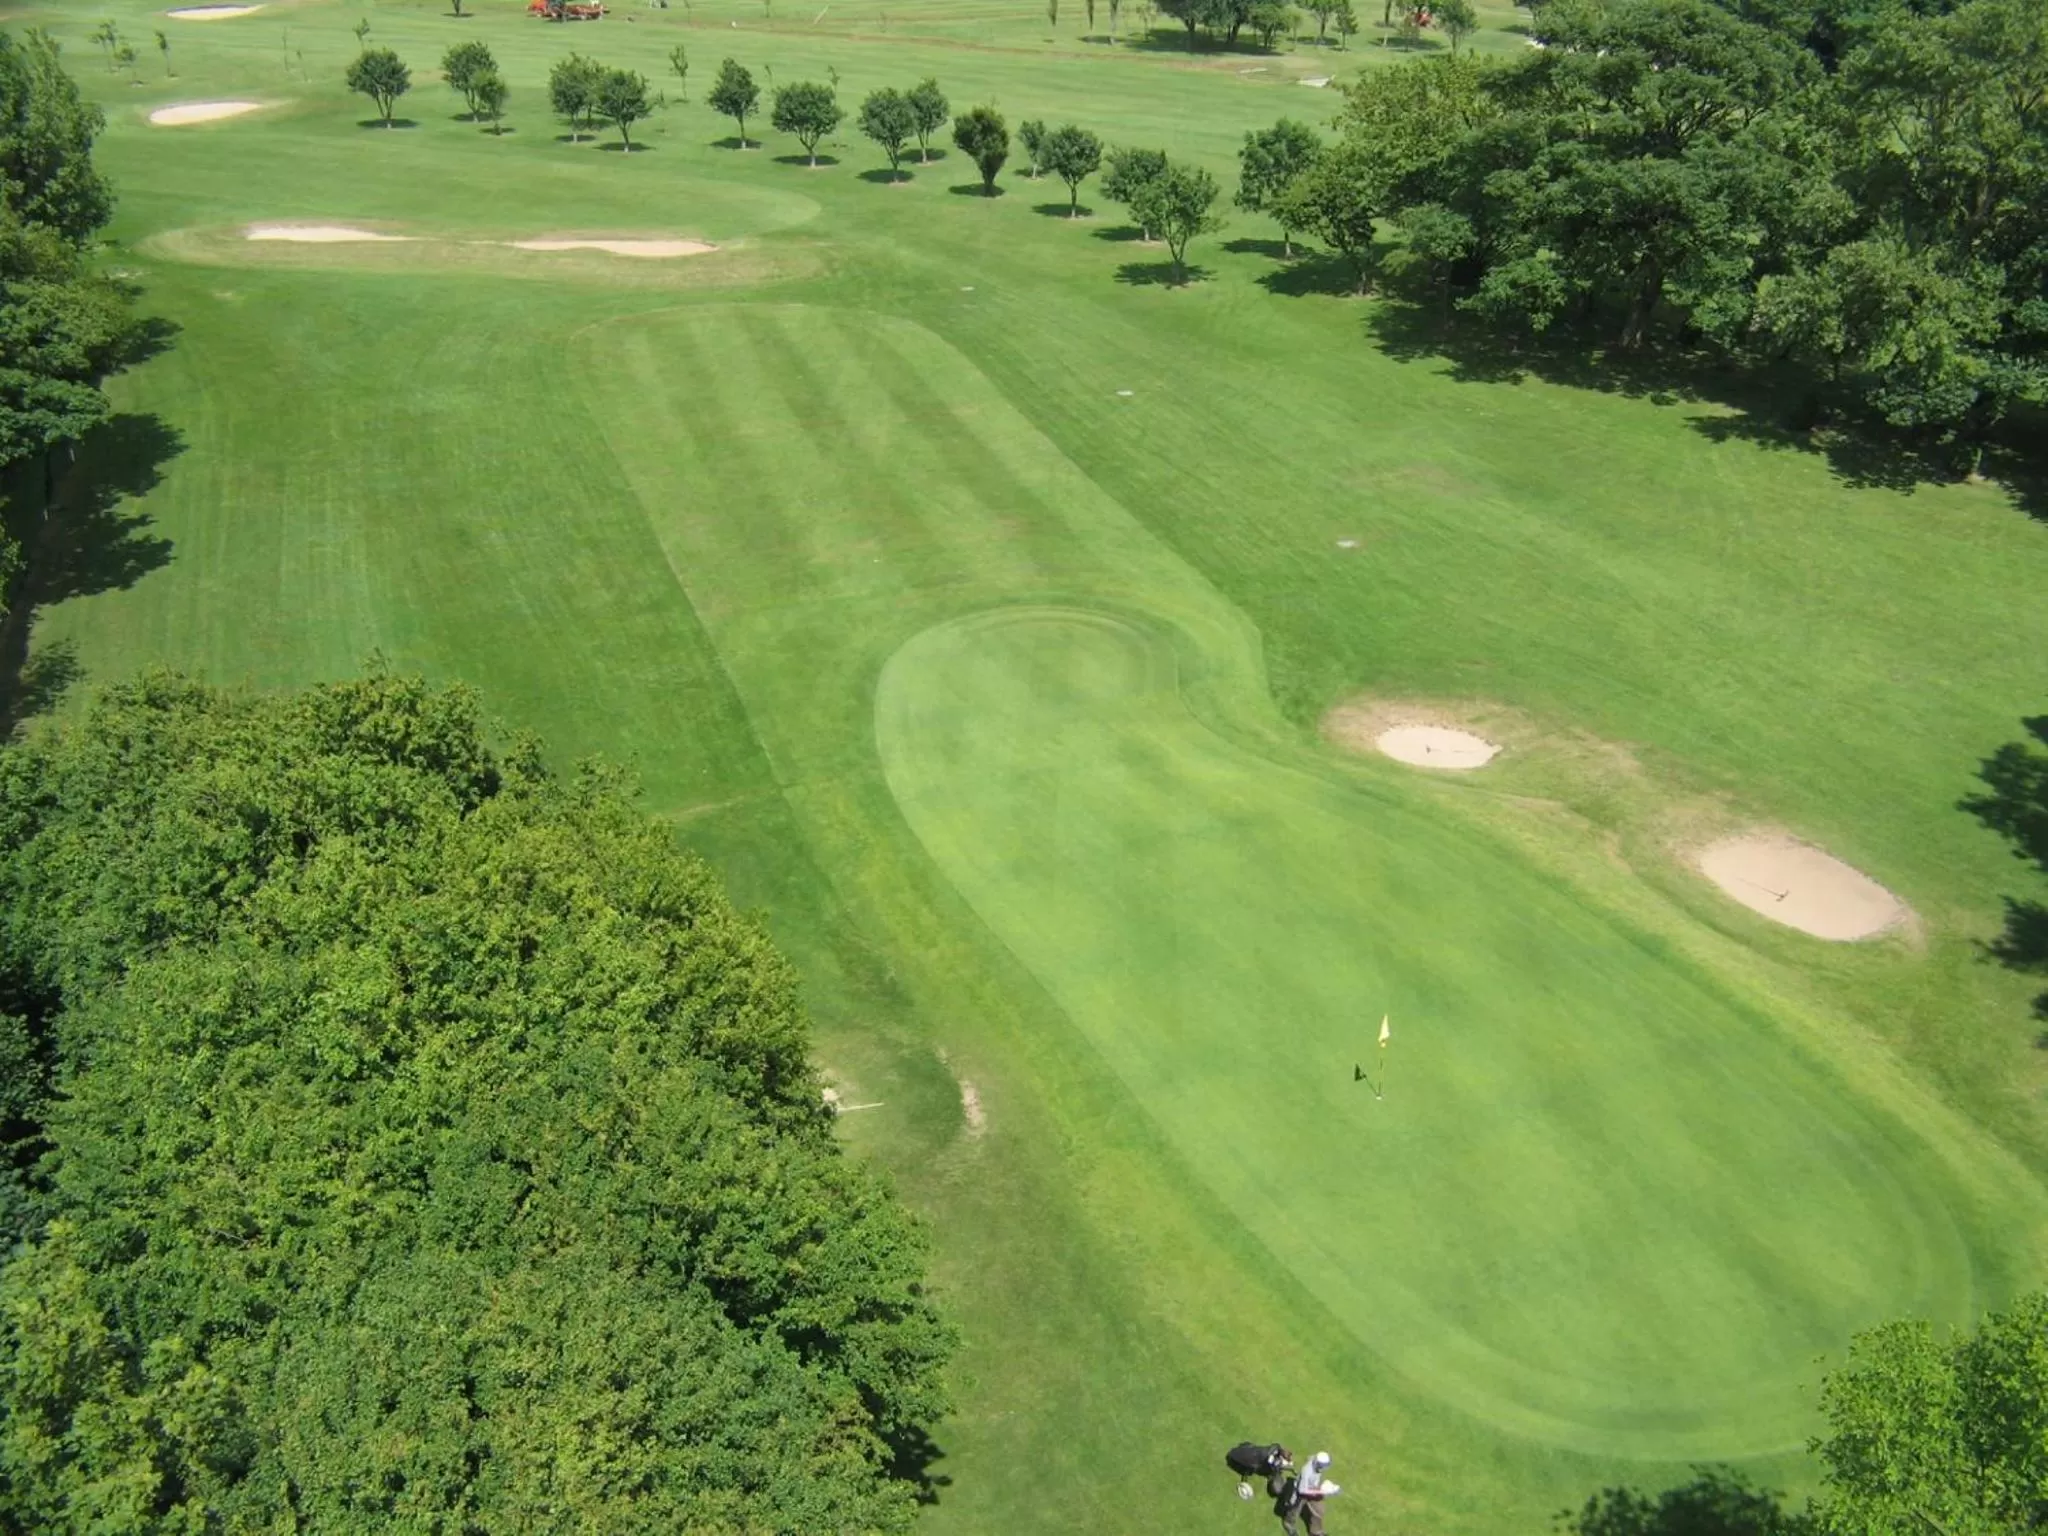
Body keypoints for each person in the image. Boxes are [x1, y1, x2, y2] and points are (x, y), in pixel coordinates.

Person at [1281, 1451, 1339, 1535]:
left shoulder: (1316, 1462)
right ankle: (1289, 1524)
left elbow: (1310, 1457)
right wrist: (1319, 1491)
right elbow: (1302, 1490)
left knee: (1319, 1509)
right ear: (1318, 1464)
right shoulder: (1307, 1471)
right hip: (1300, 1493)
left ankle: (1316, 1532)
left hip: (1312, 1488)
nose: (1324, 1468)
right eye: (1323, 1466)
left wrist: (1329, 1488)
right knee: (1294, 1511)